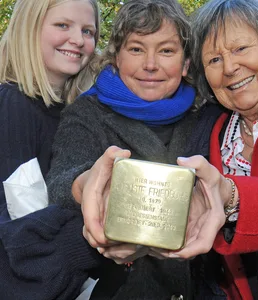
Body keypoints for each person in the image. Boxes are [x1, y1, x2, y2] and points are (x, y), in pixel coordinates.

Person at [46, 0, 203, 299]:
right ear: (117, 57)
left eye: (166, 50)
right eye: (136, 49)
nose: (150, 64)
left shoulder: (205, 114)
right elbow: (60, 184)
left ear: (185, 64)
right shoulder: (87, 113)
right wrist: (88, 184)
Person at [152, 0, 258, 299]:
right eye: (214, 60)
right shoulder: (206, 126)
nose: (230, 67)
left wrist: (230, 194)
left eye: (241, 49)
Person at [0, 0, 102, 299]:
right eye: (62, 25)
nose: (78, 40)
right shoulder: (12, 106)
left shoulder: (75, 113)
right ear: (29, 29)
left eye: (88, 30)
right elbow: (20, 233)